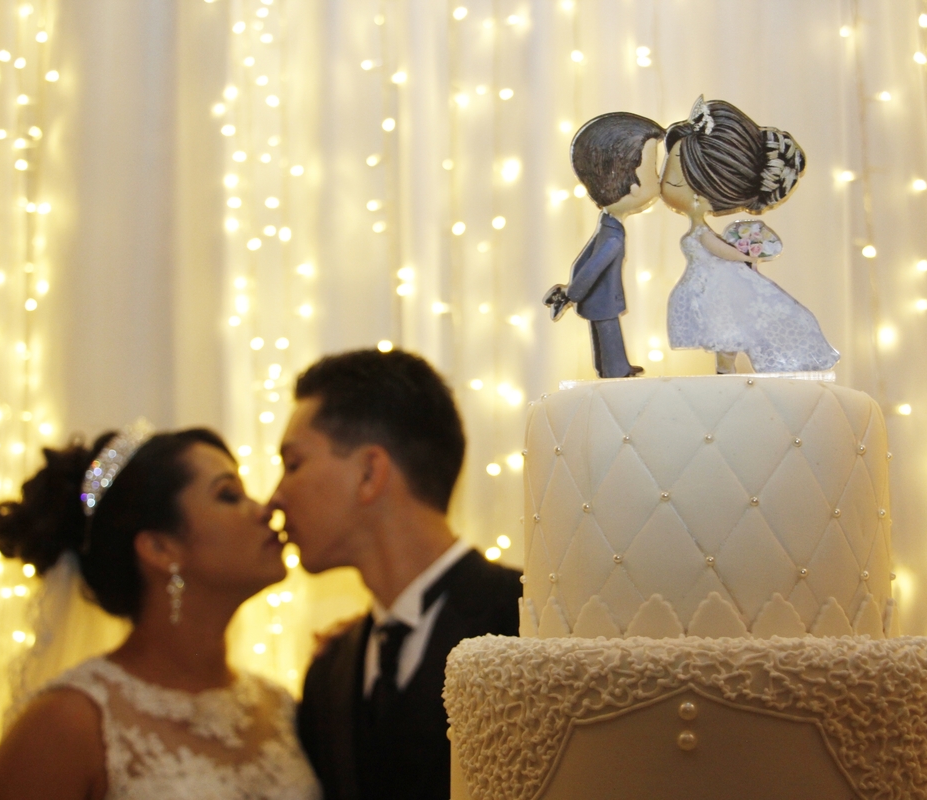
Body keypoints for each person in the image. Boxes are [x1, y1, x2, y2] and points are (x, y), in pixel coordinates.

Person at [0, 421, 321, 800]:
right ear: (160, 549)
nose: (265, 509)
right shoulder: (71, 722)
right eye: (229, 495)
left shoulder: (283, 708)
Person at [272, 349, 521, 800]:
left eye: (293, 464)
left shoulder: (532, 622)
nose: (275, 498)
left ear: (370, 472)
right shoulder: (328, 672)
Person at [660, 96, 840, 374]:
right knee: (723, 332)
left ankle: (726, 369)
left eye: (673, 179)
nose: (664, 184)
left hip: (715, 290)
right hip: (707, 287)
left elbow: (720, 250)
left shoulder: (702, 233)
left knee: (726, 330)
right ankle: (725, 368)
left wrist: (745, 254)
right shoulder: (701, 231)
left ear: (701, 193)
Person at [543, 111, 666, 378]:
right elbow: (593, 266)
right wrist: (573, 293)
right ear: (633, 186)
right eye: (653, 172)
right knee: (608, 330)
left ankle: (606, 366)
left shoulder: (606, 221)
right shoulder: (613, 236)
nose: (658, 180)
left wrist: (571, 287)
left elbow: (584, 259)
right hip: (601, 296)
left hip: (594, 295)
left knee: (602, 331)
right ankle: (615, 368)